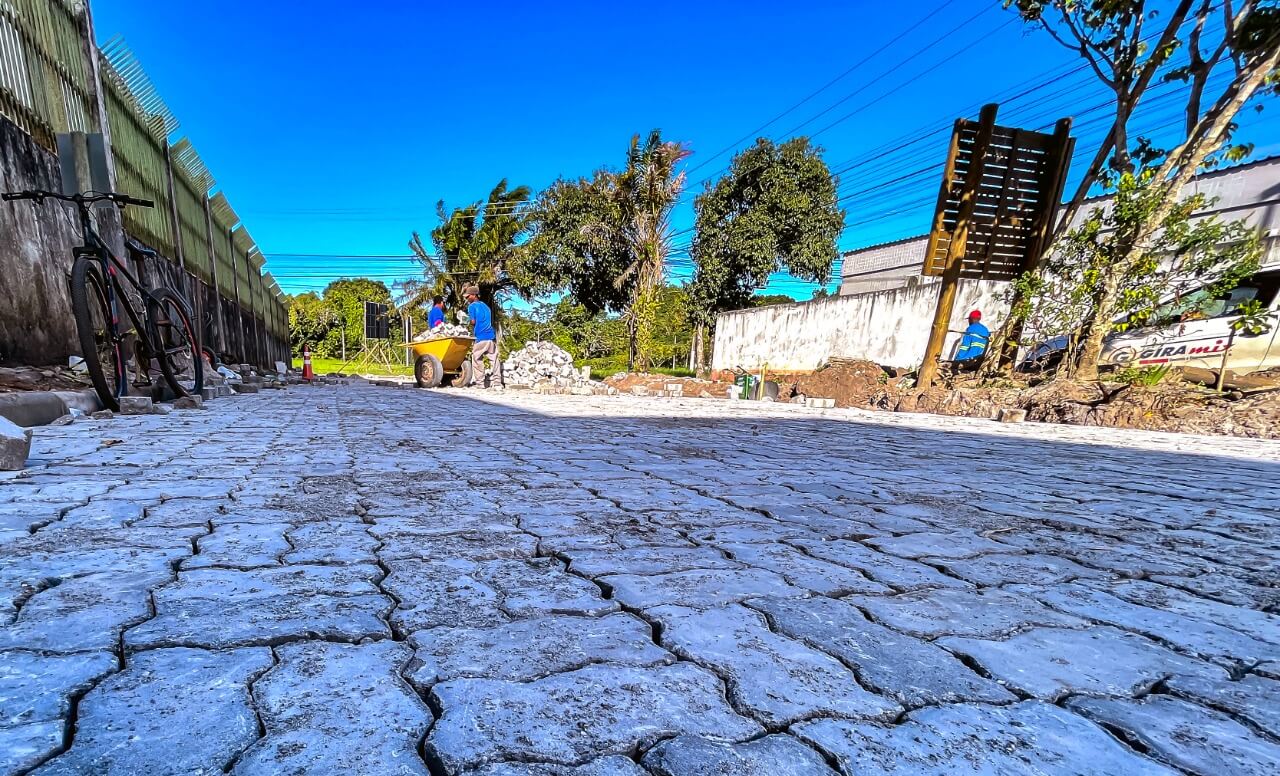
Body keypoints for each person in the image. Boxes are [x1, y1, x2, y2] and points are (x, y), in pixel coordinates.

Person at [463, 285, 500, 387]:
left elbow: (473, 322)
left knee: (476, 358)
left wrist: (466, 320)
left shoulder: (472, 307)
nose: (467, 299)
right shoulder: (486, 306)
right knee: (494, 359)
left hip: (480, 336)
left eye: (468, 296)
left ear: (474, 295)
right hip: (490, 337)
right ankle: (497, 382)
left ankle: (480, 383)